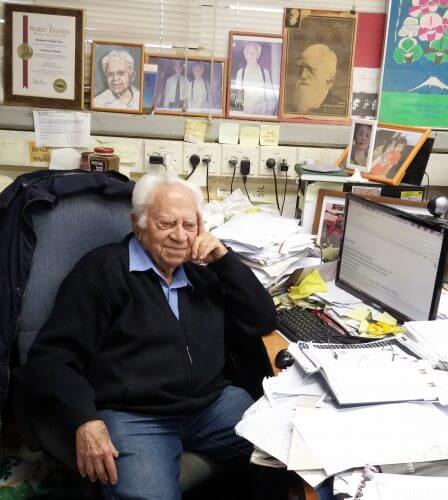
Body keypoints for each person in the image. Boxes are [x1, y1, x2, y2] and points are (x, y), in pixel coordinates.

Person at [25, 175, 277, 500]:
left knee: (292, 454)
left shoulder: (203, 271)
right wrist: (84, 420)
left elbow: (261, 320)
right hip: (134, 417)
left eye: (189, 225)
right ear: (138, 223)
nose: (179, 236)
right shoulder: (103, 272)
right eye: (167, 223)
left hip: (209, 406)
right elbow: (51, 358)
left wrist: (224, 260)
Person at [292, 44, 341, 115]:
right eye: (301, 68)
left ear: (330, 78)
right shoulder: (292, 102)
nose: (302, 75)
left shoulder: (336, 106)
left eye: (310, 69)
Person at [233, 42, 277, 116]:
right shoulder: (240, 73)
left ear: (258, 55)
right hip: (245, 118)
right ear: (245, 55)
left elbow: (272, 102)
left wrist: (262, 109)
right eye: (249, 52)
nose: (251, 54)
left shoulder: (265, 73)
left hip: (261, 118)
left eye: (254, 52)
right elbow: (236, 105)